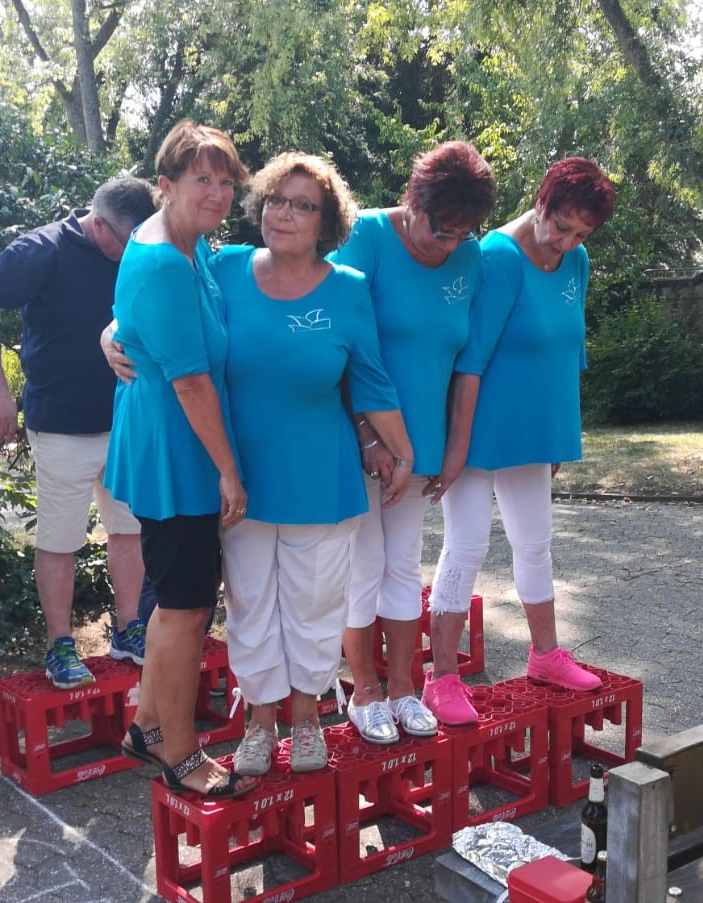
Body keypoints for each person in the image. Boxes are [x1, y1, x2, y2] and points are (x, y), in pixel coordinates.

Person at [215, 153, 413, 774]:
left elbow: (372, 381)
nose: (284, 214)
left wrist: (401, 450)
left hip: (321, 477)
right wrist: (111, 334)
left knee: (315, 605)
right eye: (276, 199)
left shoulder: (347, 289)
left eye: (303, 205)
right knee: (249, 605)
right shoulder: (223, 268)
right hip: (241, 478)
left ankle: (306, 720)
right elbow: (156, 302)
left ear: (326, 222)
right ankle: (259, 724)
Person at [424, 158, 619, 724]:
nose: (567, 241)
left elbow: (568, 349)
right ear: (542, 202)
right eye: (562, 226)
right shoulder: (498, 257)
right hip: (479, 428)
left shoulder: (575, 261)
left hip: (534, 431)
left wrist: (558, 435)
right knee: (466, 546)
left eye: (581, 234)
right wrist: (457, 448)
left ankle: (545, 656)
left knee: (535, 543)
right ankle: (442, 679)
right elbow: (470, 360)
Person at [104, 120, 255, 798]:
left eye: (226, 182)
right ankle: (181, 753)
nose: (218, 193)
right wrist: (228, 470)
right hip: (177, 454)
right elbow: (191, 383)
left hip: (168, 442)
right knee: (185, 608)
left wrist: (113, 329)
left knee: (179, 599)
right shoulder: (166, 259)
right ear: (165, 185)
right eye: (203, 180)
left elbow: (133, 319)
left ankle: (145, 727)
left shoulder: (187, 244)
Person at [0, 176, 159, 690]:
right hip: (62, 426)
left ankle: (130, 628)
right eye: (127, 241)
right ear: (100, 226)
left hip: (126, 419)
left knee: (129, 530)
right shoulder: (39, 251)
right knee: (60, 539)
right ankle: (60, 645)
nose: (133, 252)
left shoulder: (141, 248)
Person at [336, 141, 497, 745]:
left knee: (403, 564)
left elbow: (466, 359)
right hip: (355, 437)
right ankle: (364, 693)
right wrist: (366, 436)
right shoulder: (366, 237)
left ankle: (403, 689)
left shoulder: (469, 258)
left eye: (463, 233)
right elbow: (341, 344)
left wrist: (454, 449)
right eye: (441, 229)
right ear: (413, 200)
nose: (449, 244)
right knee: (364, 564)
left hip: (421, 443)